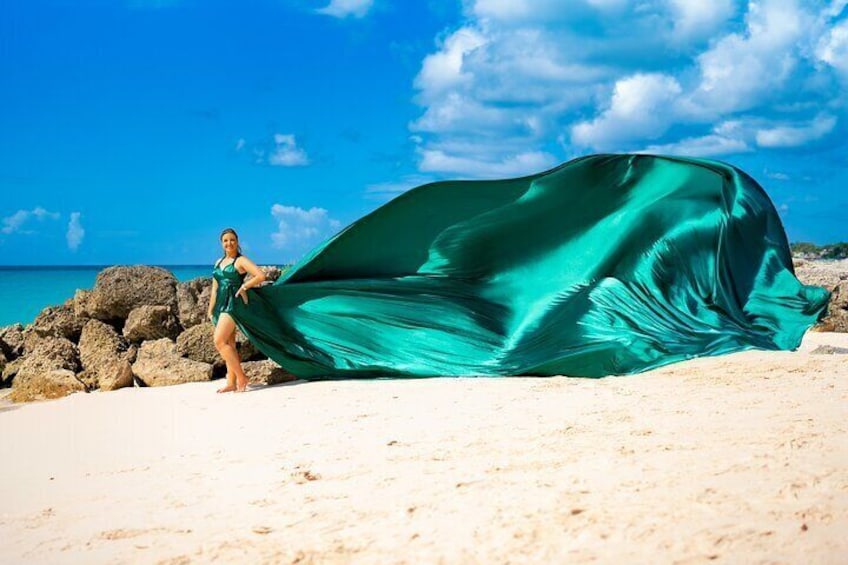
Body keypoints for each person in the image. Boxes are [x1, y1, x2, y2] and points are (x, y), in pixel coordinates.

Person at [207, 228, 266, 392]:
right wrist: (210, 310)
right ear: (221, 243)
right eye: (225, 240)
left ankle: (242, 377)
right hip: (220, 305)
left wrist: (244, 286)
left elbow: (260, 276)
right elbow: (214, 289)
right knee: (229, 343)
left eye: (232, 240)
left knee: (219, 341)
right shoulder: (218, 262)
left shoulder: (240, 261)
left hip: (233, 304)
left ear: (237, 241)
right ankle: (231, 382)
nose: (229, 243)